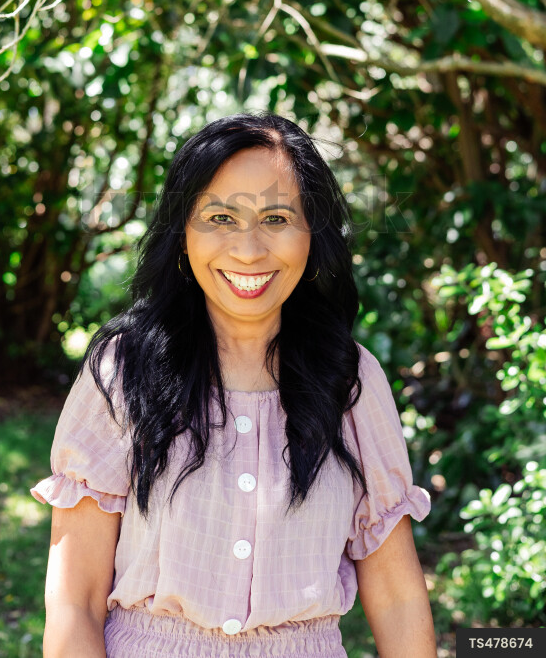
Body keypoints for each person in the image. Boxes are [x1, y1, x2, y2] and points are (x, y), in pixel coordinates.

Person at [31, 112, 437, 658]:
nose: (248, 250)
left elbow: (398, 600)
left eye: (275, 218)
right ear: (182, 235)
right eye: (221, 217)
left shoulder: (352, 382)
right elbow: (74, 601)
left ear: (313, 236)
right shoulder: (123, 371)